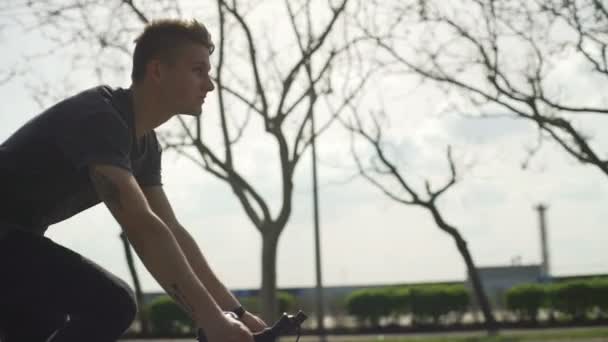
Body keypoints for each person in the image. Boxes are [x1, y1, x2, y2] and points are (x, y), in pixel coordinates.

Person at [0, 18, 266, 342]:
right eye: (198, 70)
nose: (209, 85)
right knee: (111, 303)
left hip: (14, 243)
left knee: (43, 320)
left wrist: (236, 314)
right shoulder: (100, 118)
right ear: (157, 71)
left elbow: (171, 232)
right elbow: (141, 227)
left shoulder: (145, 146)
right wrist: (211, 320)